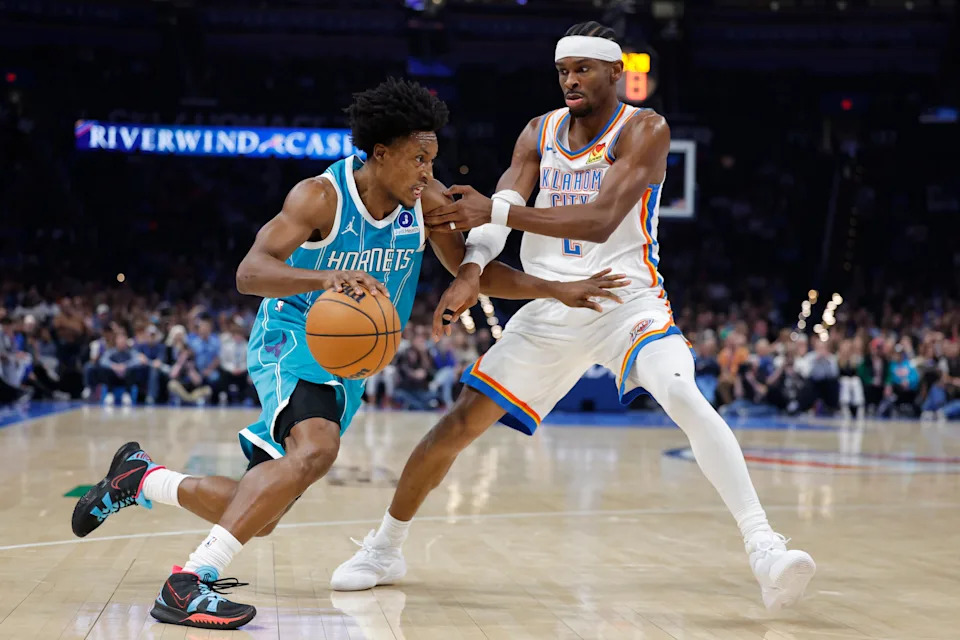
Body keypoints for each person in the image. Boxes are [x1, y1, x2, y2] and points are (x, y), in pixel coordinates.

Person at [69, 78, 629, 631]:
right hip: (291, 337)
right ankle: (189, 582)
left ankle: (140, 480)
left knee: (260, 511)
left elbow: (472, 272)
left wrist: (555, 288)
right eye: (418, 159)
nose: (429, 174)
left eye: (433, 160)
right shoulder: (319, 196)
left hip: (350, 362)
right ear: (380, 153)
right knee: (318, 450)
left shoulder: (425, 202)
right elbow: (250, 273)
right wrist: (325, 276)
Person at [331, 23, 816, 611]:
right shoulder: (539, 132)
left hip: (624, 299)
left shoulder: (646, 129)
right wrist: (471, 267)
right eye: (563, 71)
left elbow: (599, 219)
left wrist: (502, 218)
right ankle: (385, 547)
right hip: (552, 304)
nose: (570, 80)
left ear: (617, 73)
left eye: (583, 69)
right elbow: (499, 210)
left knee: (684, 394)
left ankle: (764, 545)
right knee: (457, 424)